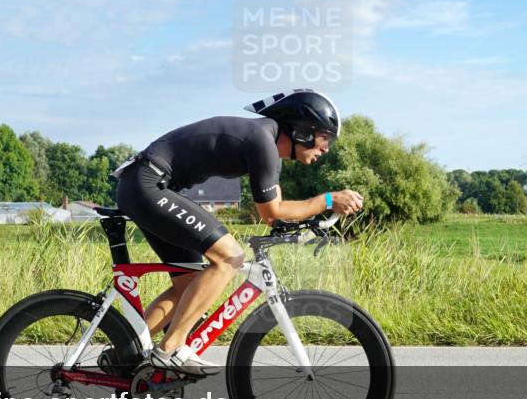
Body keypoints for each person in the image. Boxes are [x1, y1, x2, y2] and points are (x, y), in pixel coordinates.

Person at [113, 89, 364, 376]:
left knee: (191, 282)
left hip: (145, 186)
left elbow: (276, 214)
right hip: (148, 184)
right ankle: (170, 349)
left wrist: (310, 222)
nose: (326, 148)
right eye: (324, 138)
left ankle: (125, 354)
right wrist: (328, 200)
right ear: (303, 130)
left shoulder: (266, 146)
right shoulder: (261, 141)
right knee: (230, 258)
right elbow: (271, 212)